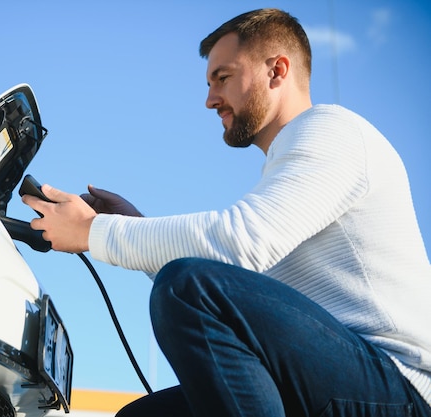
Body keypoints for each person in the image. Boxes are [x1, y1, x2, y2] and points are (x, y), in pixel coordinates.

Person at [22, 8, 431, 417]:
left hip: (401, 388)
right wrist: (133, 228)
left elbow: (238, 246)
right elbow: (244, 284)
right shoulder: (290, 172)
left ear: (277, 71)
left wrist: (95, 231)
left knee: (187, 287)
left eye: (223, 78)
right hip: (335, 375)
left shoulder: (332, 130)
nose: (210, 99)